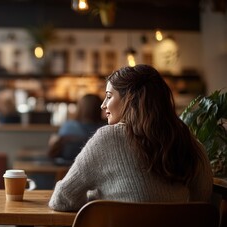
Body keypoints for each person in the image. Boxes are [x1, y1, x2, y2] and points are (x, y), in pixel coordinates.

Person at [49, 64, 212, 212]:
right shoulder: (189, 141)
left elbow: (62, 199)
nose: (103, 104)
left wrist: (96, 200)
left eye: (109, 96)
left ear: (129, 99)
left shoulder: (107, 138)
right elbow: (202, 200)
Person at [48, 94, 105, 161]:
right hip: (95, 168)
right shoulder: (104, 129)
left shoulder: (68, 126)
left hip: (66, 167)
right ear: (100, 108)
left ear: (79, 108)